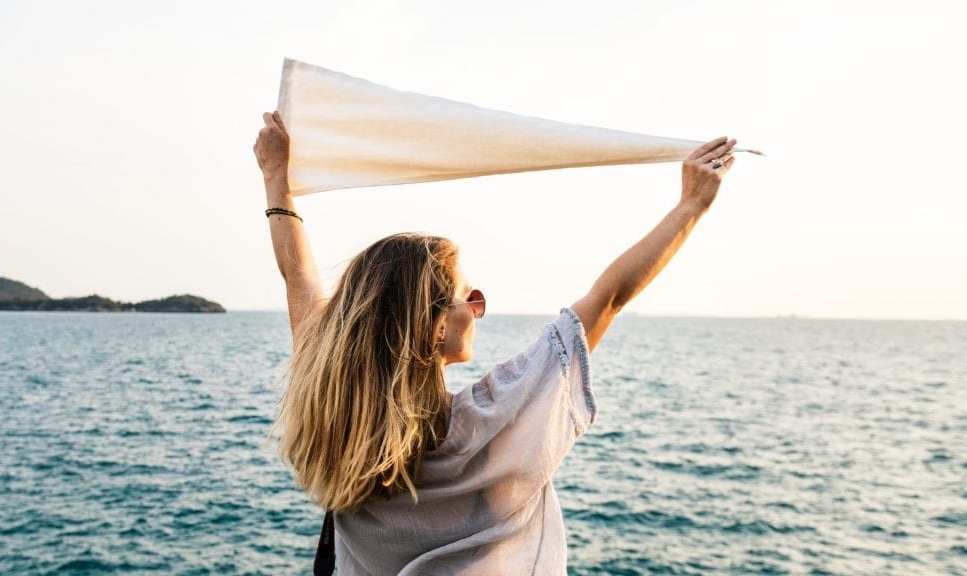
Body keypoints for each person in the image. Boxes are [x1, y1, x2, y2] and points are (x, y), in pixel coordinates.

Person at [254, 110, 736, 574]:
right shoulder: (493, 419)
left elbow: (298, 277)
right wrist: (692, 204)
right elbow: (607, 298)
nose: (479, 309)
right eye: (471, 298)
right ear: (437, 326)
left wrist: (276, 175)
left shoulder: (331, 412)